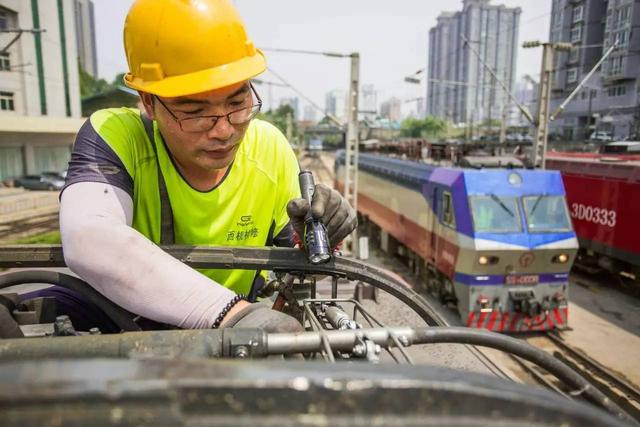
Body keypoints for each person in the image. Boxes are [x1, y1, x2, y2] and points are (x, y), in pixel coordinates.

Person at [24, 0, 357, 333]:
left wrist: (322, 234)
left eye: (237, 103)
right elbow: (90, 239)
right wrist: (232, 314)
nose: (224, 130)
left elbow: (304, 268)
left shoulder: (269, 147)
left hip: (232, 322)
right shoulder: (116, 135)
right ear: (148, 101)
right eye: (196, 112)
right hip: (126, 318)